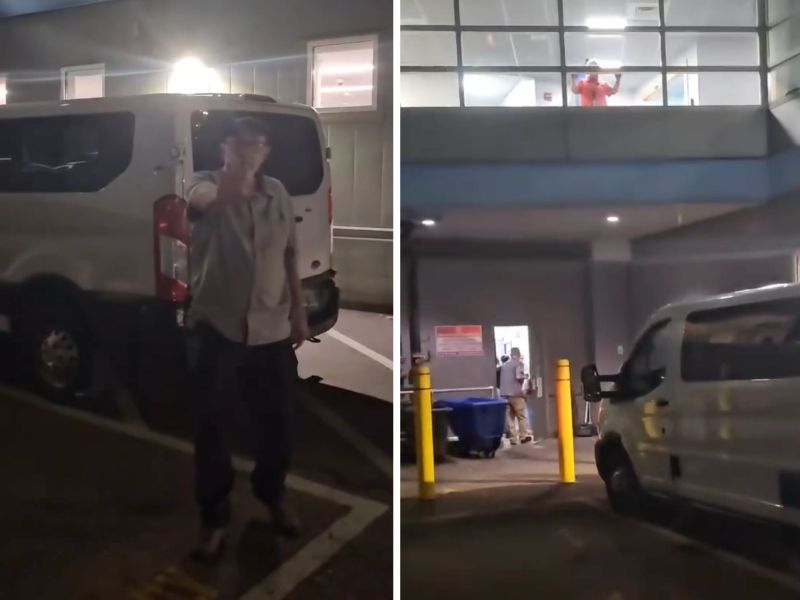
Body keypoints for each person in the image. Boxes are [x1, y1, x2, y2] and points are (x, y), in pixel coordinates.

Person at [184, 116, 309, 561]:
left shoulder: (278, 192)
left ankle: (271, 492)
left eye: (256, 145)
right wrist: (240, 173)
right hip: (218, 326)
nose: (248, 151)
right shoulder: (201, 184)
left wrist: (298, 312)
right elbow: (213, 201)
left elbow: (290, 253)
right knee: (212, 428)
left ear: (266, 151)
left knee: (278, 424)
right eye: (238, 145)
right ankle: (214, 518)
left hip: (272, 330)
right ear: (223, 149)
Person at [499, 348, 532, 445]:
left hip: (505, 395)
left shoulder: (504, 366)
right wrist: (525, 377)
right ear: (518, 354)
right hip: (516, 395)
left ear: (511, 354)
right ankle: (523, 437)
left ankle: (513, 438)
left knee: (510, 418)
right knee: (521, 416)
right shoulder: (519, 364)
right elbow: (519, 377)